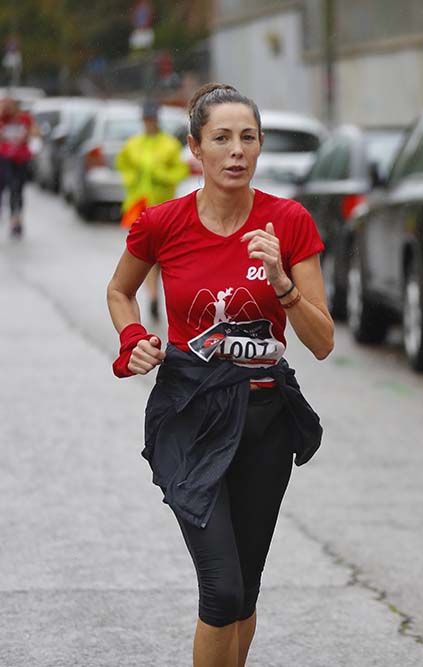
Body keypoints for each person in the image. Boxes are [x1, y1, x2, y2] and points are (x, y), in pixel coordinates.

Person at [106, 83, 334, 666]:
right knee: (222, 590)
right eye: (222, 138)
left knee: (245, 592)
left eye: (248, 138)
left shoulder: (288, 222)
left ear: (260, 146)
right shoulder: (163, 223)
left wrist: (282, 283)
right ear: (195, 148)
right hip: (192, 417)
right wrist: (133, 340)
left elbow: (322, 342)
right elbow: (120, 291)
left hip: (265, 419)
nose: (236, 151)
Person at [116, 100, 189, 321]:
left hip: (163, 208)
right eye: (146, 119)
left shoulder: (169, 145)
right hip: (138, 208)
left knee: (161, 257)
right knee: (145, 255)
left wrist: (162, 176)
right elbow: (123, 164)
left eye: (152, 119)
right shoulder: (133, 144)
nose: (149, 123)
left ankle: (159, 296)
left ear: (157, 120)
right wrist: (131, 179)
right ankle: (153, 295)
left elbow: (180, 171)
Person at [0, 96, 38, 238]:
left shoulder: (25, 119)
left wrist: (27, 134)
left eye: (11, 105)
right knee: (9, 186)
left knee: (18, 189)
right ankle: (10, 217)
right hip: (5, 158)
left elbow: (35, 132)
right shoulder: (3, 118)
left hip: (21, 158)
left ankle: (16, 220)